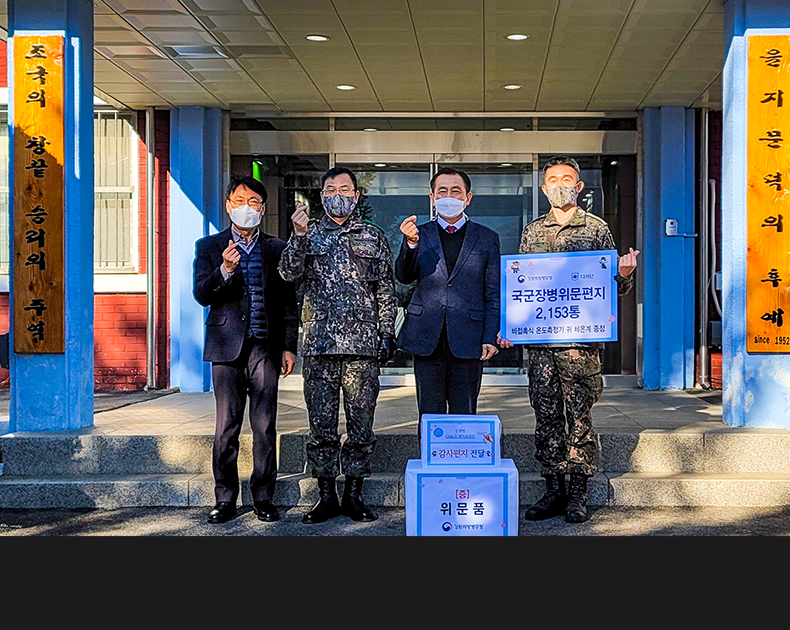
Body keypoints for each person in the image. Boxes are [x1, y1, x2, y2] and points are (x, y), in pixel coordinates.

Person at [499, 156, 639, 524]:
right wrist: (512, 326)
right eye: (553, 180)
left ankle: (578, 491)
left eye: (568, 179)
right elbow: (522, 285)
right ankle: (553, 488)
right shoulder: (532, 232)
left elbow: (612, 288)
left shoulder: (596, 229)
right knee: (545, 417)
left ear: (579, 187)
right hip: (541, 347)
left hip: (580, 347)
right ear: (544, 189)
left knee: (578, 416)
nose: (560, 185)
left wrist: (623, 275)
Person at [278, 166, 397, 524]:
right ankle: (326, 495)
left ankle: (354, 494)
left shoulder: (373, 237)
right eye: (331, 189)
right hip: (320, 347)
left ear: (356, 196)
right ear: (322, 196)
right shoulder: (308, 234)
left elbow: (386, 290)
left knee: (361, 426)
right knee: (321, 427)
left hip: (362, 348)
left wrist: (387, 332)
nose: (338, 194)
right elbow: (287, 274)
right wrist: (298, 236)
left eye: (345, 188)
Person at [193, 176, 298, 525]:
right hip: (226, 348)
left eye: (254, 202)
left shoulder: (277, 248)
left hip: (265, 348)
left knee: (265, 425)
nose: (246, 207)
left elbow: (287, 301)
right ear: (228, 205)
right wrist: (225, 269)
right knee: (227, 425)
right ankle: (224, 498)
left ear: (262, 209)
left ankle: (264, 497)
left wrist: (288, 347)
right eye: (240, 200)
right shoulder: (209, 246)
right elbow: (202, 294)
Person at [395, 167, 500, 438]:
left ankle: (461, 471)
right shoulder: (418, 234)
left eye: (456, 191)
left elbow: (493, 292)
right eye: (442, 191)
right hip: (427, 335)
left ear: (468, 197)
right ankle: (432, 473)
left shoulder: (487, 238)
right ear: (432, 197)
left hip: (469, 336)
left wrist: (491, 336)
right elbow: (404, 276)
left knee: (465, 412)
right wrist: (410, 245)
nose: (449, 196)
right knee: (429, 412)